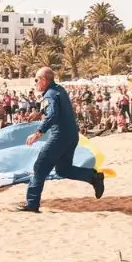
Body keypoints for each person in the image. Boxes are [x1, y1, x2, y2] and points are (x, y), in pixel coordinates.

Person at [18, 66, 105, 212]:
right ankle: (93, 177)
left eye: (36, 80)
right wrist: (40, 113)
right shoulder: (59, 89)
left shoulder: (49, 95)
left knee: (39, 168)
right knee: (64, 169)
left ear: (44, 80)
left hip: (59, 137)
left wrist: (38, 133)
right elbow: (56, 107)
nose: (35, 83)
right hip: (72, 136)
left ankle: (32, 204)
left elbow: (53, 115)